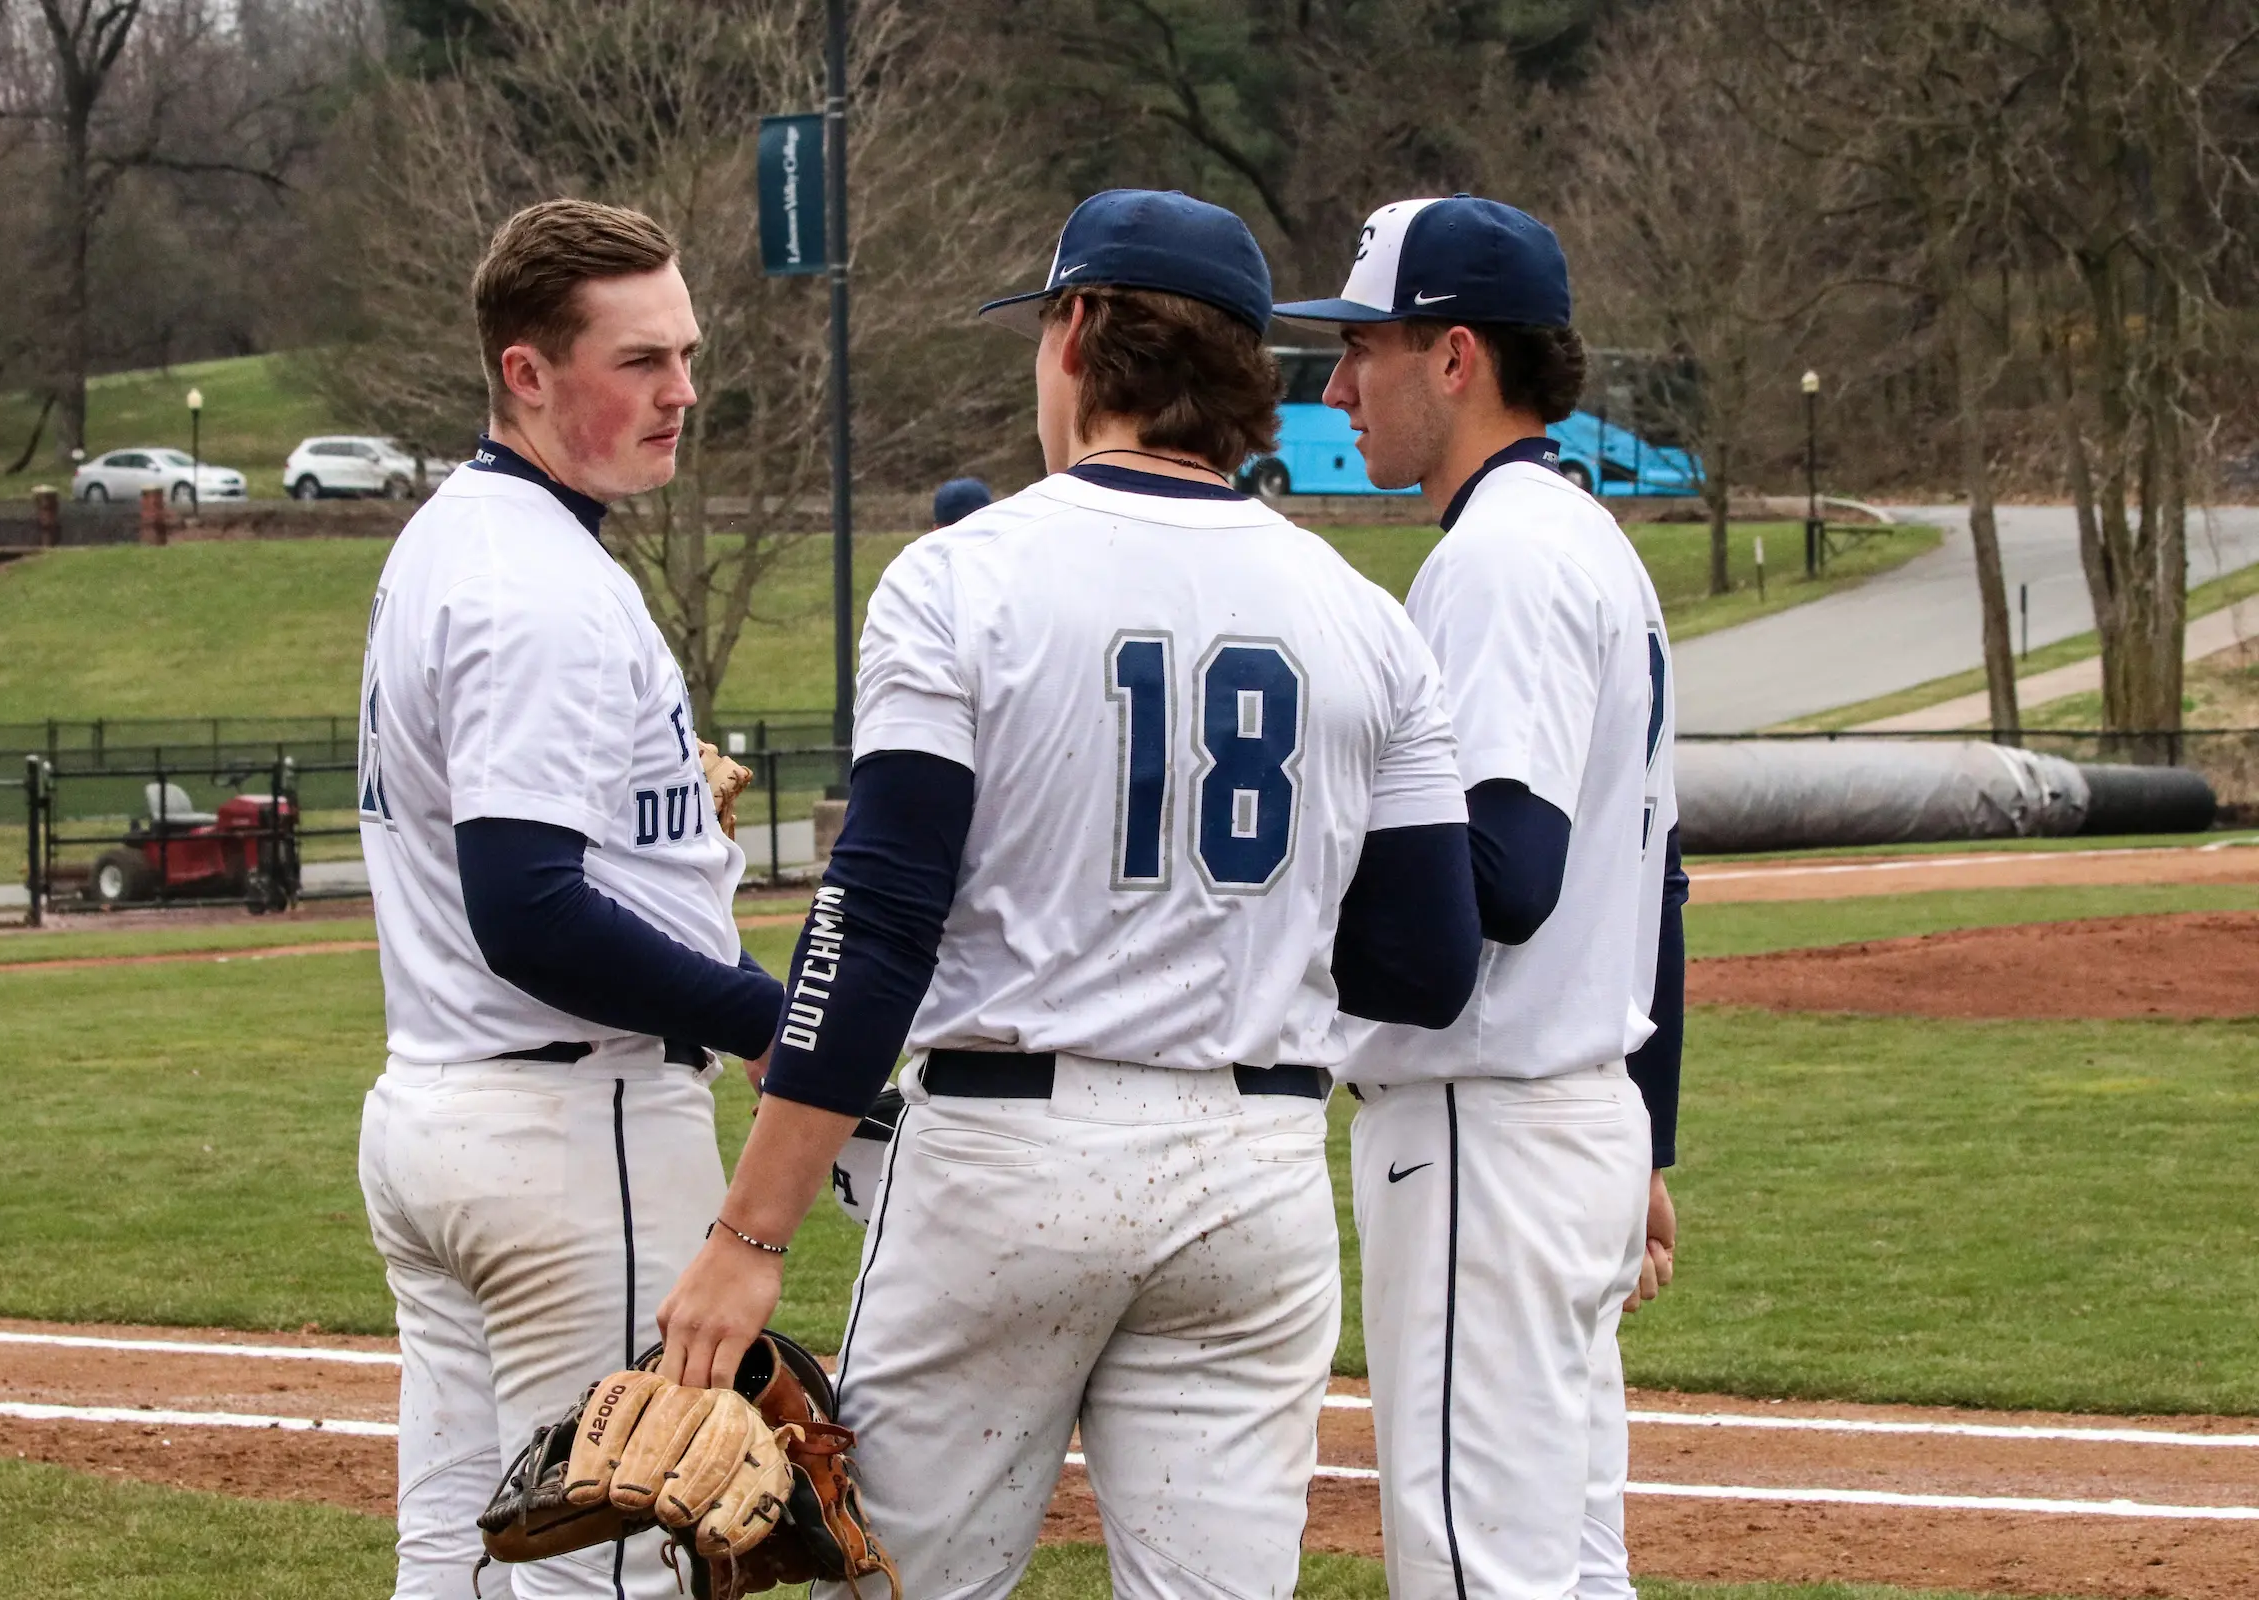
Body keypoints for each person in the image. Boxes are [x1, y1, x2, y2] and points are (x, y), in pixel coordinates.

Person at [651, 188, 1485, 1600]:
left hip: (1008, 1163)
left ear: (1081, 329)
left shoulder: (956, 581)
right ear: (1244, 372)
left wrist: (748, 1239)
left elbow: (880, 920)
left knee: (899, 1587)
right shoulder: (1368, 618)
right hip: (1253, 1171)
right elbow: (1429, 960)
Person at [354, 198, 785, 1600]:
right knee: (611, 1570)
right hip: (567, 1122)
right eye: (641, 360)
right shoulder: (533, 582)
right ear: (527, 374)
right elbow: (528, 908)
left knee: (457, 1558)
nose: (683, 391)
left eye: (686, 353)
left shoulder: (463, 536)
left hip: (442, 1113)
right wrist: (758, 1016)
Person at [1275, 194, 1686, 1600]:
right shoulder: (1586, 542)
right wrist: (1651, 1140)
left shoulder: (1499, 558)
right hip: (1573, 1117)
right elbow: (1660, 885)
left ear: (1455, 357)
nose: (1337, 386)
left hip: (1483, 1133)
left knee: (1474, 1572)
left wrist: (1277, 901)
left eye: (1363, 348)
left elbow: (1503, 878)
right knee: (1570, 1567)